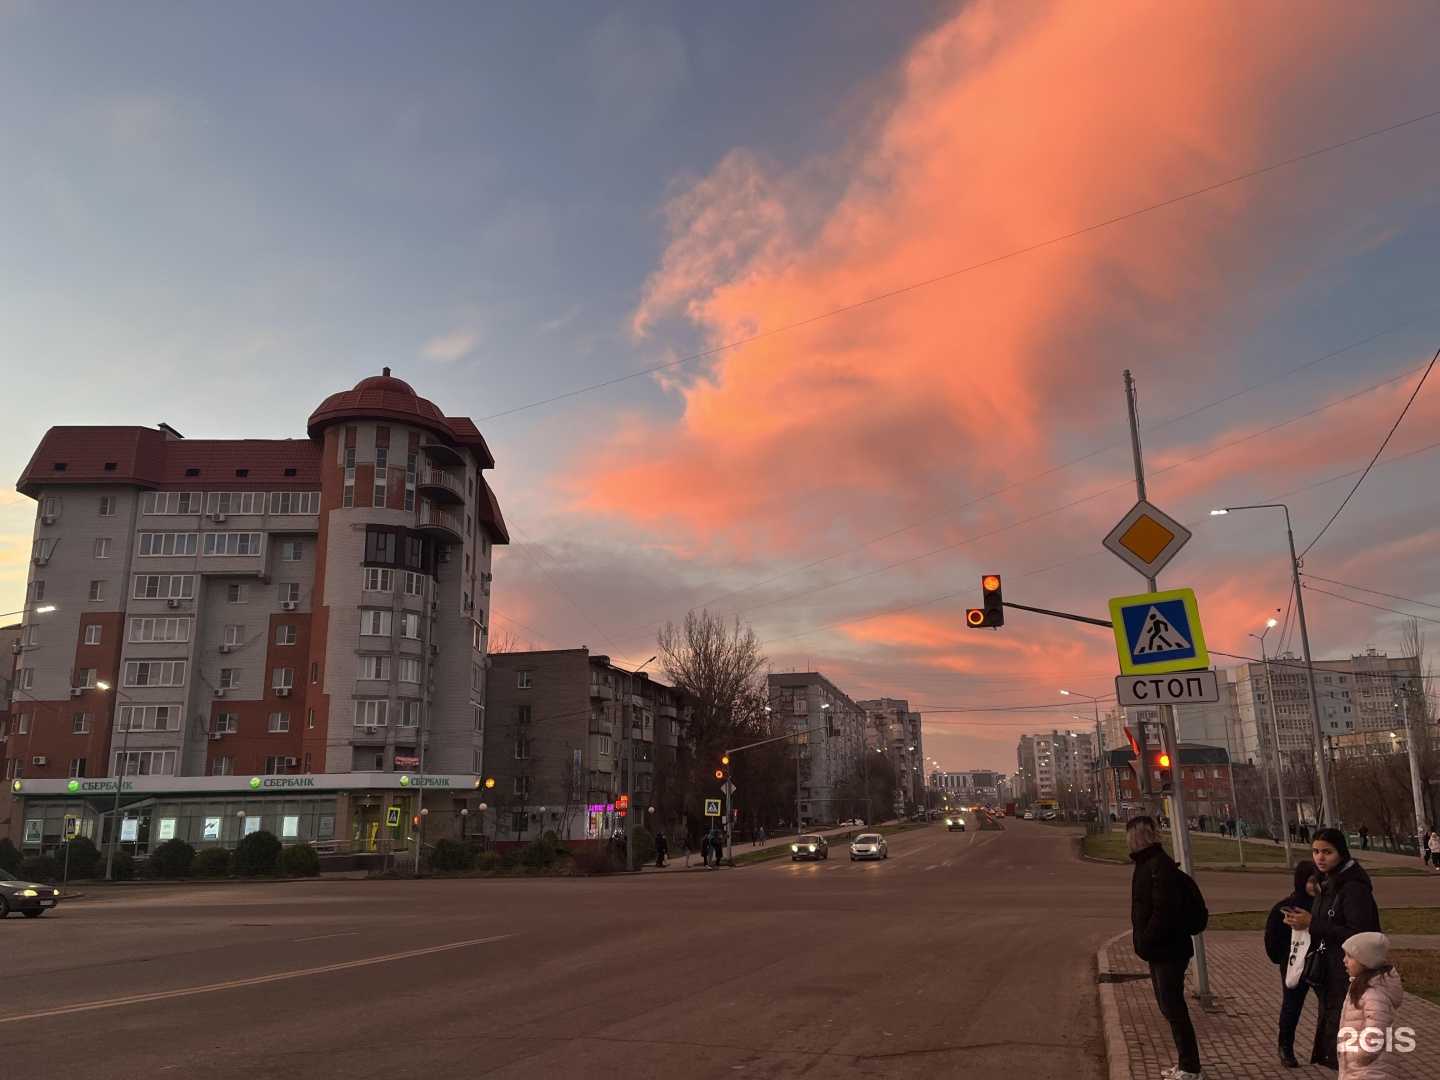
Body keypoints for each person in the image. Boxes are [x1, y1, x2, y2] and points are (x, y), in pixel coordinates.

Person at [1283, 827, 1381, 1070]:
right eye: (1315, 851)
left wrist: (1313, 923)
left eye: (1327, 851)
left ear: (1342, 853)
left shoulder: (1353, 888)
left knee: (1350, 1042)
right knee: (1337, 1038)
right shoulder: (1327, 884)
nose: (1320, 857)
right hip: (1331, 972)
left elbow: (1360, 935)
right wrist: (1303, 924)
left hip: (1349, 974)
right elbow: (1325, 923)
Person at [1128, 816, 1206, 1080]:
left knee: (1173, 1008)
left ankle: (1190, 1067)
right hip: (1160, 949)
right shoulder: (1148, 864)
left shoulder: (1157, 866)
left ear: (1139, 836)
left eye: (1131, 835)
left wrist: (1147, 939)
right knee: (1168, 1007)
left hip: (1168, 950)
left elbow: (1163, 911)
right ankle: (1185, 1064)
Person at [1265, 860, 1320, 1068]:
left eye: (1318, 881)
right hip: (1294, 964)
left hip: (1321, 963)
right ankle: (1285, 1048)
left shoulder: (1325, 905)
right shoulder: (1285, 907)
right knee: (1291, 1006)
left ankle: (1328, 1049)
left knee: (1329, 1007)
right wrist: (1281, 958)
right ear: (1301, 881)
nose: (1315, 886)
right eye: (1311, 881)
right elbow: (1272, 937)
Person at [1337, 932, 1403, 1079]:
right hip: (1361, 1069)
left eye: (1350, 956)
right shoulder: (1361, 987)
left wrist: (1356, 1056)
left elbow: (1375, 1034)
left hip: (1369, 1071)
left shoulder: (1374, 995)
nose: (1344, 960)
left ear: (1365, 961)